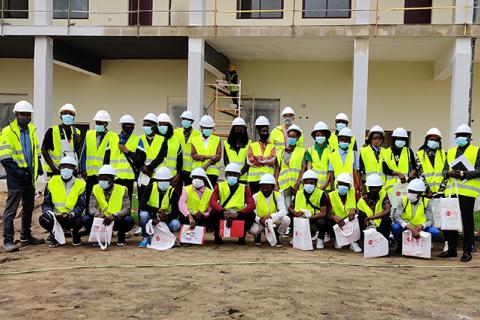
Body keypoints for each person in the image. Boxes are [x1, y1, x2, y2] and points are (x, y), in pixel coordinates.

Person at [0, 100, 45, 252]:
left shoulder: (32, 130)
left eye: (28, 114)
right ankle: (8, 240)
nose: (26, 117)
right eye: (23, 114)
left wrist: (38, 167)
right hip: (16, 178)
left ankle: (26, 236)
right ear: (16, 115)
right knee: (11, 210)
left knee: (28, 208)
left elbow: (36, 152)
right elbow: (5, 158)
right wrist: (19, 173)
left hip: (29, 178)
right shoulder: (8, 131)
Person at [440, 124, 480, 262]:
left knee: (467, 222)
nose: (460, 138)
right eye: (458, 136)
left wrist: (464, 173)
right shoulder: (450, 152)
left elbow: (479, 170)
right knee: (449, 221)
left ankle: (467, 251)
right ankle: (451, 249)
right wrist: (448, 173)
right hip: (451, 190)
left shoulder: (477, 151)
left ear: (469, 137)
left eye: (463, 135)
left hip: (467, 192)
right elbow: (444, 170)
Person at [39, 156, 86, 247]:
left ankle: (75, 233)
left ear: (74, 169)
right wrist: (51, 213)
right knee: (43, 219)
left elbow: (80, 206)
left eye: (69, 167)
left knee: (82, 219)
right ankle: (54, 235)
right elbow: (46, 203)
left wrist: (71, 214)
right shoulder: (52, 182)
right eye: (64, 167)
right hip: (56, 217)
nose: (66, 169)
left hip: (72, 217)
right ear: (60, 168)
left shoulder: (81, 184)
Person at [84, 165, 134, 246]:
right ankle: (99, 237)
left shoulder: (122, 189)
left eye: (105, 179)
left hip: (116, 219)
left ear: (112, 179)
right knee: (86, 219)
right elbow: (91, 207)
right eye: (100, 179)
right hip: (101, 219)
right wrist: (98, 214)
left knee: (128, 220)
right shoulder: (96, 188)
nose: (102, 181)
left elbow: (127, 208)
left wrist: (114, 216)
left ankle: (121, 236)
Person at [79, 110, 116, 215]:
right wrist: (82, 169)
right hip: (90, 173)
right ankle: (88, 219)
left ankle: (103, 218)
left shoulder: (112, 136)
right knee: (89, 197)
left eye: (100, 123)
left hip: (104, 174)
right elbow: (84, 152)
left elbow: (112, 155)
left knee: (104, 197)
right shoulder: (89, 134)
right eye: (97, 123)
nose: (98, 125)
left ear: (106, 123)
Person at [209, 163, 256, 245]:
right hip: (224, 212)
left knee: (251, 214)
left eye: (234, 174)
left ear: (238, 176)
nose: (232, 176)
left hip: (238, 213)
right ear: (226, 175)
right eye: (229, 174)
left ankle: (242, 236)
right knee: (213, 213)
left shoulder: (245, 187)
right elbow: (212, 202)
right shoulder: (219, 186)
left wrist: (239, 213)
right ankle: (217, 235)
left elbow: (252, 205)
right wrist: (222, 211)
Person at [392, 178, 440, 253]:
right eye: (409, 191)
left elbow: (431, 221)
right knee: (395, 227)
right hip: (406, 227)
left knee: (435, 232)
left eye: (414, 192)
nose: (410, 193)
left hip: (420, 228)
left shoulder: (426, 202)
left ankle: (423, 244)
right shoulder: (403, 200)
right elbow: (397, 218)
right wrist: (410, 228)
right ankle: (401, 244)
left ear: (420, 193)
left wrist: (422, 225)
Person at [137, 167, 181, 247]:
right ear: (156, 180)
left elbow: (175, 212)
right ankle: (146, 237)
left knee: (175, 223)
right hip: (151, 218)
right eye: (160, 180)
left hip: (165, 219)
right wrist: (156, 211)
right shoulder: (150, 187)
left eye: (166, 180)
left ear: (170, 181)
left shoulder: (173, 191)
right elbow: (141, 205)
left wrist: (165, 218)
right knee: (143, 215)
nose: (163, 182)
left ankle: (167, 236)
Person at [107, 114, 145, 201]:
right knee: (114, 200)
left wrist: (128, 152)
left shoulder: (137, 140)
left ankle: (127, 215)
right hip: (114, 176)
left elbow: (141, 159)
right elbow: (106, 159)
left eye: (132, 125)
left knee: (127, 201)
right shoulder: (112, 139)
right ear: (122, 125)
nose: (131, 127)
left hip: (129, 177)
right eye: (128, 125)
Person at [288, 170, 329, 250]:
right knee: (290, 216)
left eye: (311, 183)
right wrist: (295, 213)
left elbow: (323, 213)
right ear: (303, 183)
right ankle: (296, 237)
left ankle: (320, 239)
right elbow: (290, 207)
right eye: (306, 183)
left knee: (322, 222)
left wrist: (312, 217)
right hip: (301, 217)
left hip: (314, 217)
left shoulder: (321, 194)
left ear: (315, 183)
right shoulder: (299, 193)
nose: (308, 184)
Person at [41, 103, 82, 176]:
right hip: (56, 171)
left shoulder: (77, 131)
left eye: (70, 113)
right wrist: (53, 168)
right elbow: (44, 150)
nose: (68, 115)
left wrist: (79, 143)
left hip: (71, 170)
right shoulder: (52, 131)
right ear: (61, 117)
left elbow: (77, 151)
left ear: (74, 117)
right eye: (65, 113)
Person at [250, 174, 290, 246]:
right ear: (260, 186)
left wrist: (270, 217)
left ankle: (276, 235)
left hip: (272, 220)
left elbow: (283, 210)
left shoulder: (277, 195)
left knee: (286, 219)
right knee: (254, 230)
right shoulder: (255, 196)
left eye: (268, 187)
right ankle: (257, 236)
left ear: (273, 187)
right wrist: (260, 220)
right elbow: (252, 212)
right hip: (260, 220)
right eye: (263, 187)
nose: (265, 189)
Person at [328, 173, 362, 252]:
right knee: (326, 222)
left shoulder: (354, 193)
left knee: (361, 217)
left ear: (349, 186)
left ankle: (353, 241)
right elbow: (327, 213)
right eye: (341, 184)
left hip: (350, 220)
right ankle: (337, 239)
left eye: (345, 184)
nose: (342, 186)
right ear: (337, 185)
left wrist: (354, 209)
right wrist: (334, 216)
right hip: (338, 222)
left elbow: (362, 206)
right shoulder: (331, 195)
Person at [275, 124, 307, 209]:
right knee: (284, 208)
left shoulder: (302, 151)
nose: (291, 138)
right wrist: (276, 184)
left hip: (296, 186)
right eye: (289, 136)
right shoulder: (281, 152)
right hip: (283, 184)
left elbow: (303, 168)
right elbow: (277, 169)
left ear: (297, 138)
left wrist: (298, 183)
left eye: (294, 136)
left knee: (295, 207)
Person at [137, 113, 167, 200]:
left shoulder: (162, 139)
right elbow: (137, 156)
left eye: (148, 125)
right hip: (143, 174)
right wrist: (144, 168)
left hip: (156, 174)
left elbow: (161, 157)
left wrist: (149, 168)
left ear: (154, 126)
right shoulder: (139, 139)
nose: (145, 127)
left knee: (155, 199)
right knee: (142, 199)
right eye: (144, 125)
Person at [356, 173, 392, 240]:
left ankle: (385, 240)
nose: (374, 190)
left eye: (376, 188)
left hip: (380, 226)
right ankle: (360, 240)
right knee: (359, 216)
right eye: (372, 187)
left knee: (387, 219)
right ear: (368, 187)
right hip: (367, 227)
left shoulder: (383, 195)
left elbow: (387, 211)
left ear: (380, 188)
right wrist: (367, 220)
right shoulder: (363, 200)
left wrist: (370, 218)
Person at [247, 116, 276, 194]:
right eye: (263, 131)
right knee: (255, 201)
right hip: (254, 180)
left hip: (268, 179)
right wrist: (265, 161)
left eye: (267, 131)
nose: (265, 133)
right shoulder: (252, 145)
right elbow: (250, 161)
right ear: (258, 131)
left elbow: (272, 160)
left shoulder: (272, 146)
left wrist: (258, 159)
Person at [383, 127, 417, 194]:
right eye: (398, 139)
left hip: (404, 186)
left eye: (402, 139)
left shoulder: (408, 151)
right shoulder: (386, 152)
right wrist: (398, 173)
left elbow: (414, 167)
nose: (400, 141)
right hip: (391, 188)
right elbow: (385, 169)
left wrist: (413, 172)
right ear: (394, 139)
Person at [327, 127, 361, 194]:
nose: (343, 142)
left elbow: (356, 172)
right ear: (338, 140)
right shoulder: (332, 155)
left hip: (350, 186)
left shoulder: (354, 154)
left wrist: (359, 186)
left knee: (351, 204)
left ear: (349, 141)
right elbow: (331, 174)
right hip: (337, 186)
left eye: (346, 140)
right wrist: (332, 188)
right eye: (342, 140)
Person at [191, 115, 222, 187]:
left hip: (212, 173)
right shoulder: (194, 139)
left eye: (210, 128)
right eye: (206, 128)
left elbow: (218, 156)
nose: (208, 129)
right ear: (201, 128)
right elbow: (194, 155)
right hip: (197, 172)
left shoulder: (217, 139)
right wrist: (209, 156)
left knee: (209, 194)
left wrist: (206, 165)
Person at [416, 128, 446, 197]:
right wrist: (427, 190)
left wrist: (441, 190)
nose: (433, 141)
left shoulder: (444, 154)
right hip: (426, 194)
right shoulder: (420, 154)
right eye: (431, 140)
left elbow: (446, 174)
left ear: (439, 142)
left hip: (441, 193)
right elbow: (420, 174)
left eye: (435, 140)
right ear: (427, 140)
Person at [173, 110, 201, 186]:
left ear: (192, 121)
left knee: (189, 192)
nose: (185, 121)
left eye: (187, 120)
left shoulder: (198, 134)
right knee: (177, 192)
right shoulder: (175, 132)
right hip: (178, 168)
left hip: (190, 170)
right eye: (183, 119)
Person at [306, 121, 334, 191]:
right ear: (314, 137)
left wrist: (325, 185)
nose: (320, 137)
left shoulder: (331, 150)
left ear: (326, 136)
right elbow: (309, 169)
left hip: (327, 187)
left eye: (322, 135)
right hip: (313, 186)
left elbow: (331, 171)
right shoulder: (310, 150)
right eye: (318, 135)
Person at [157, 113, 182, 189]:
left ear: (169, 126)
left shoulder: (176, 140)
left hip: (172, 177)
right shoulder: (154, 139)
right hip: (157, 176)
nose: (162, 127)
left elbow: (180, 160)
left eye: (165, 125)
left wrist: (178, 175)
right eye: (160, 125)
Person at [224, 117, 250, 184]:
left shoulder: (249, 144)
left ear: (244, 130)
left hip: (243, 178)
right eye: (237, 129)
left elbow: (248, 163)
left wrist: (240, 173)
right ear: (233, 130)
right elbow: (226, 161)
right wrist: (232, 173)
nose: (239, 131)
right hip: (230, 177)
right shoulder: (226, 144)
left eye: (241, 130)